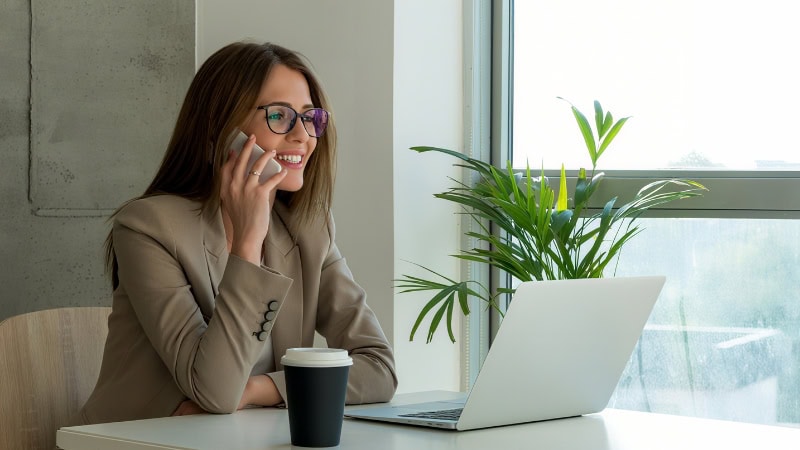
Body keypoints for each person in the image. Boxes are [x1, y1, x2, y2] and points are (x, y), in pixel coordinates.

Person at [74, 41, 397, 425]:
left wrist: (259, 390)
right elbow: (215, 391)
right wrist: (247, 243)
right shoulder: (148, 229)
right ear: (222, 130)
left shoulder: (309, 229)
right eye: (280, 115)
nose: (303, 136)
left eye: (310, 117)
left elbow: (378, 368)